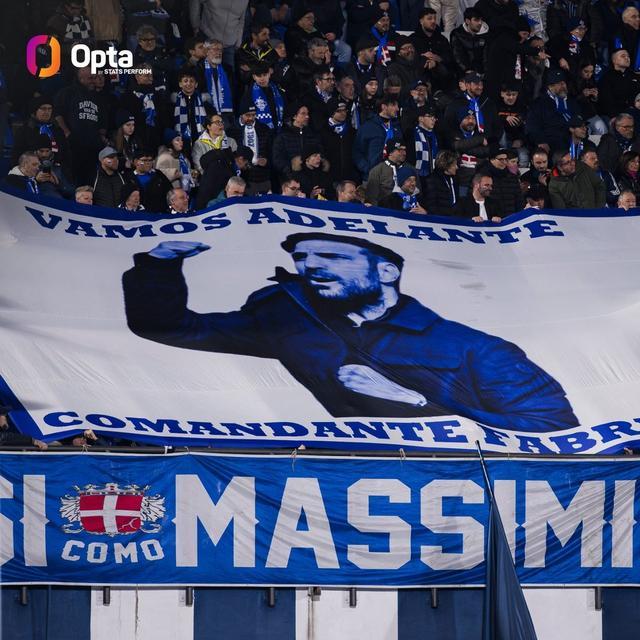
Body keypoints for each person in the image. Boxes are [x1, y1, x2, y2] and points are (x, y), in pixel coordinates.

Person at [122, 232, 579, 431]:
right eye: (302, 259)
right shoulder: (288, 319)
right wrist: (160, 265)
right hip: (346, 482)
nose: (311, 267)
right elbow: (171, 328)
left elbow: (551, 430)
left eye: (332, 257)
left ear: (386, 272)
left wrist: (416, 404)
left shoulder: (478, 349)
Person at [526, 68, 580, 155]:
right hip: (550, 141)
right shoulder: (539, 104)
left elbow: (579, 120)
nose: (563, 86)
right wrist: (541, 141)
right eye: (559, 84)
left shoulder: (572, 102)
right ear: (550, 87)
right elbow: (532, 127)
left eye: (564, 83)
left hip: (571, 138)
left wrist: (580, 132)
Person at [353, 95, 402, 179]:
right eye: (394, 105)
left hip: (393, 176)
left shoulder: (396, 127)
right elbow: (357, 151)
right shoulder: (368, 127)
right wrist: (368, 169)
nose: (397, 109)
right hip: (372, 178)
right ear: (384, 107)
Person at [364, 138, 410, 205]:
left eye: (405, 150)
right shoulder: (377, 170)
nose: (404, 153)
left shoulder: (410, 170)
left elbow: (417, 193)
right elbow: (371, 198)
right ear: (390, 152)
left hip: (407, 208)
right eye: (400, 150)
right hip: (384, 209)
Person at [449, 8, 489, 76]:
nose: (480, 23)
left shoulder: (486, 35)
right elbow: (458, 55)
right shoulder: (457, 34)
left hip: (482, 72)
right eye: (476, 20)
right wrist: (467, 70)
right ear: (467, 21)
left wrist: (486, 73)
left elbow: (487, 56)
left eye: (481, 20)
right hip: (463, 72)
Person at [425, 149, 459, 216]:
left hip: (454, 219)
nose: (457, 167)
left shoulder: (455, 179)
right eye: (454, 165)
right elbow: (431, 205)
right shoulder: (432, 180)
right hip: (439, 219)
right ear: (446, 165)